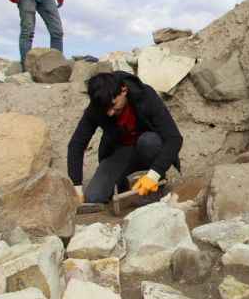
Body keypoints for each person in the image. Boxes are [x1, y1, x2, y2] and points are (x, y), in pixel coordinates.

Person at [67, 72, 183, 203]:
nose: (110, 113)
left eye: (113, 105)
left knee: (149, 141)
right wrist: (76, 187)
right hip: (121, 152)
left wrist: (153, 175)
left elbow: (174, 138)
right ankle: (123, 183)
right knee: (95, 197)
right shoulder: (98, 106)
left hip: (146, 148)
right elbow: (76, 144)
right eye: (106, 109)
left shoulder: (145, 96)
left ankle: (155, 184)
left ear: (124, 91)